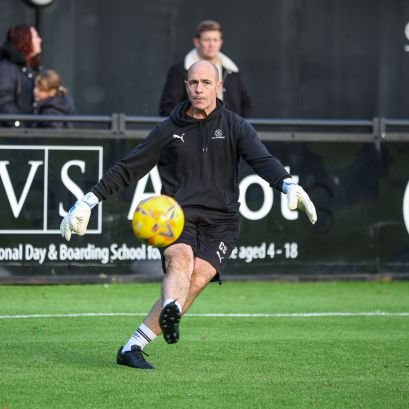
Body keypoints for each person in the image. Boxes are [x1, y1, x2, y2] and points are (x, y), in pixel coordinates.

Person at [60, 60, 317, 370]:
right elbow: (129, 167)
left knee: (198, 277)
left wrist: (288, 185)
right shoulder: (168, 129)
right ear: (185, 86)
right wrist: (88, 201)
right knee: (179, 261)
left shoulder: (236, 126)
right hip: (175, 216)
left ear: (219, 87)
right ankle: (171, 307)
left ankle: (133, 346)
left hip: (222, 221)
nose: (199, 89)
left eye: (206, 83)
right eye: (193, 82)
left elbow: (263, 161)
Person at [158, 20, 252, 117]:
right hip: (191, 130)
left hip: (227, 130)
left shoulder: (231, 70)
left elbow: (245, 105)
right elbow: (168, 108)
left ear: (221, 42)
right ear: (197, 42)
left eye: (215, 40)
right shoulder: (180, 70)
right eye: (207, 40)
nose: (211, 45)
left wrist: (236, 128)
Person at [0, 24, 42, 127]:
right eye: (36, 37)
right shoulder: (7, 68)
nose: (39, 40)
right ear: (25, 40)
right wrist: (19, 127)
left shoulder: (32, 69)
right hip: (13, 137)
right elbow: (4, 102)